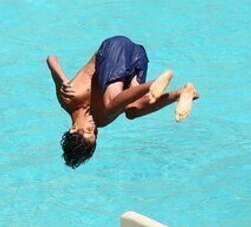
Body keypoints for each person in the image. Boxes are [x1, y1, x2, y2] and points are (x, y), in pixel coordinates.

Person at [47, 35, 198, 169]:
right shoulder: (100, 120)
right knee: (132, 111)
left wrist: (63, 79)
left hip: (115, 49)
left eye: (87, 131)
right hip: (137, 58)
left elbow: (51, 59)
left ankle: (154, 83)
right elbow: (126, 102)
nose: (93, 128)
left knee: (108, 105)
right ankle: (181, 92)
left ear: (73, 129)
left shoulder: (68, 98)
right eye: (94, 134)